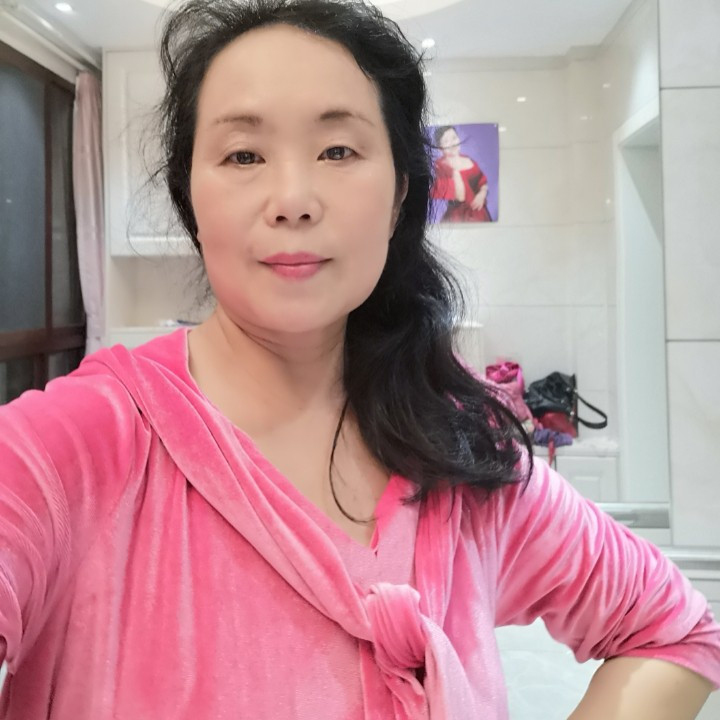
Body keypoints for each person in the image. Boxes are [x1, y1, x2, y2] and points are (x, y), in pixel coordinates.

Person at [0, 0, 718, 717]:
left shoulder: (458, 444)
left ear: (401, 191)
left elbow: (674, 630)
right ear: (190, 193)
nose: (292, 199)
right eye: (244, 154)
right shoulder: (69, 450)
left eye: (338, 151)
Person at [431, 125, 493, 222]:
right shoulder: (438, 167)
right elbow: (460, 196)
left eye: (454, 138)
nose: (452, 143)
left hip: (480, 213)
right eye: (446, 141)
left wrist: (482, 194)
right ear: (440, 148)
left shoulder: (468, 159)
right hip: (457, 217)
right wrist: (455, 171)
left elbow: (482, 182)